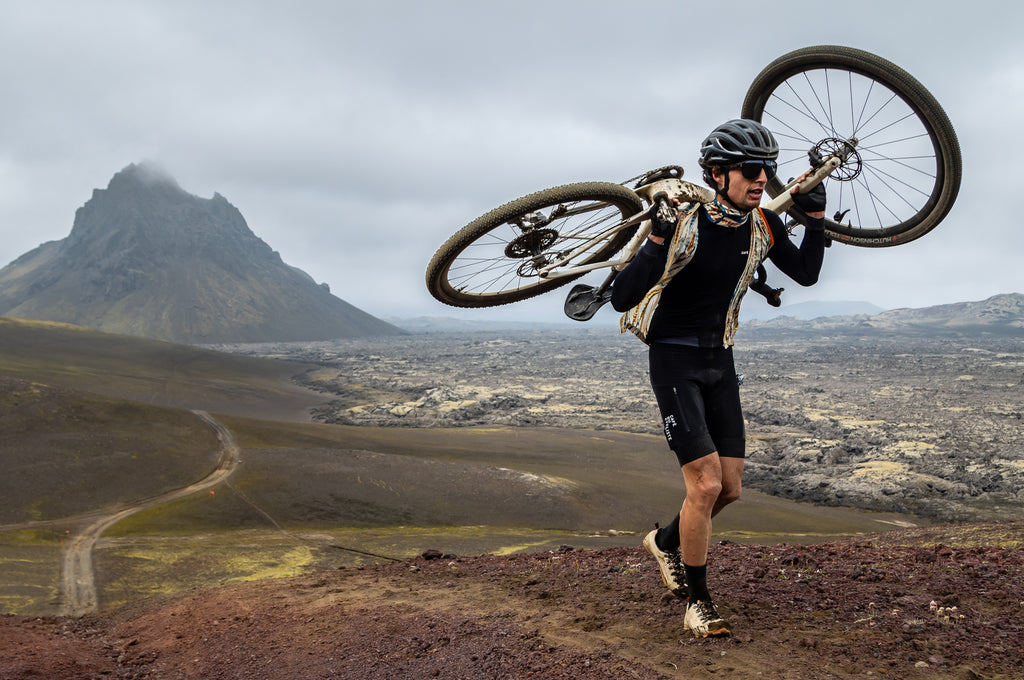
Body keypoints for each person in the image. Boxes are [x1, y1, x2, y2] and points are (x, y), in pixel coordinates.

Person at [610, 118, 827, 638]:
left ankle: (664, 541)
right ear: (716, 173)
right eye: (751, 170)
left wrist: (815, 219)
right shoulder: (683, 222)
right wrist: (657, 237)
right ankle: (699, 603)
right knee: (703, 484)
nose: (761, 179)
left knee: (728, 490)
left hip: (721, 362)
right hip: (674, 361)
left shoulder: (762, 226)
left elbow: (806, 273)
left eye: (768, 171)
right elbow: (621, 297)